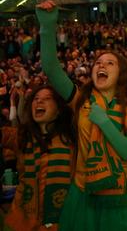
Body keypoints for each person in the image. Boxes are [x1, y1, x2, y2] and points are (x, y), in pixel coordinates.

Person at [36, 0, 127, 231]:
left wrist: (103, 120)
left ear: (122, 72)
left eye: (109, 62)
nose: (100, 65)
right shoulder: (80, 100)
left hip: (121, 194)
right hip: (84, 193)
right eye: (97, 62)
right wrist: (47, 26)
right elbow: (51, 68)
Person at [2, 85, 76, 231]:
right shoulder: (20, 137)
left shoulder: (72, 138)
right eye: (36, 99)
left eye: (47, 99)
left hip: (63, 222)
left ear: (59, 109)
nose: (39, 102)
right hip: (23, 222)